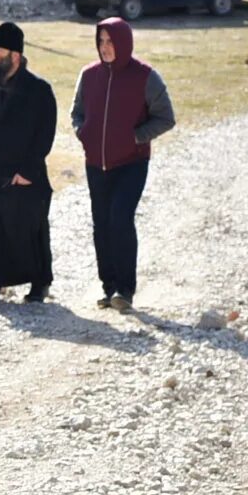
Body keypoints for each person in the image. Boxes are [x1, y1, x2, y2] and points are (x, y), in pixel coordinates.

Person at [69, 18, 175, 312]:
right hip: (96, 164)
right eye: (101, 41)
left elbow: (166, 117)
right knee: (101, 225)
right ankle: (109, 287)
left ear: (124, 43)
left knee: (120, 218)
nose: (105, 47)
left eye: (110, 41)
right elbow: (76, 112)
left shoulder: (145, 77)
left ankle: (125, 290)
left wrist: (136, 137)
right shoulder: (89, 75)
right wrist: (84, 133)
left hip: (132, 163)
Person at [0, 22, 56, 307]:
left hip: (23, 176)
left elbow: (45, 134)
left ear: (15, 56)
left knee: (28, 230)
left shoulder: (39, 91)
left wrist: (26, 172)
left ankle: (39, 284)